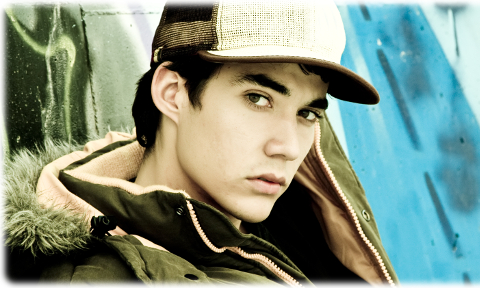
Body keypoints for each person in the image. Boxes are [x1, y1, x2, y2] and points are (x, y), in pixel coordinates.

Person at [4, 0, 398, 285]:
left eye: (308, 113)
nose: (289, 148)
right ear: (173, 93)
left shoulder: (309, 220)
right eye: (258, 99)